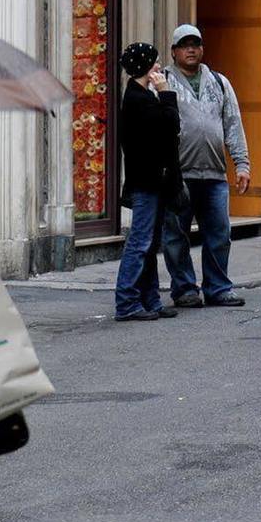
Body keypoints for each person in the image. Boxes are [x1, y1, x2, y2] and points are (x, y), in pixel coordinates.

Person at [161, 23, 251, 308]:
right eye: (185, 45)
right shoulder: (162, 81)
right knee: (176, 236)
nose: (191, 49)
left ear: (202, 49)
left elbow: (233, 123)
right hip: (179, 175)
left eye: (195, 44)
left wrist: (242, 164)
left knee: (219, 234)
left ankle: (218, 288)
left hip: (214, 173)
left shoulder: (219, 81)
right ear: (174, 51)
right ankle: (185, 288)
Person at [114, 42, 180, 323]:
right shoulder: (138, 99)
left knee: (150, 243)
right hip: (147, 181)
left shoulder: (141, 95)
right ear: (144, 67)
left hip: (154, 180)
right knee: (140, 242)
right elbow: (169, 125)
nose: (158, 67)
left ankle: (149, 299)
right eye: (154, 62)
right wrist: (166, 93)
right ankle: (127, 301)